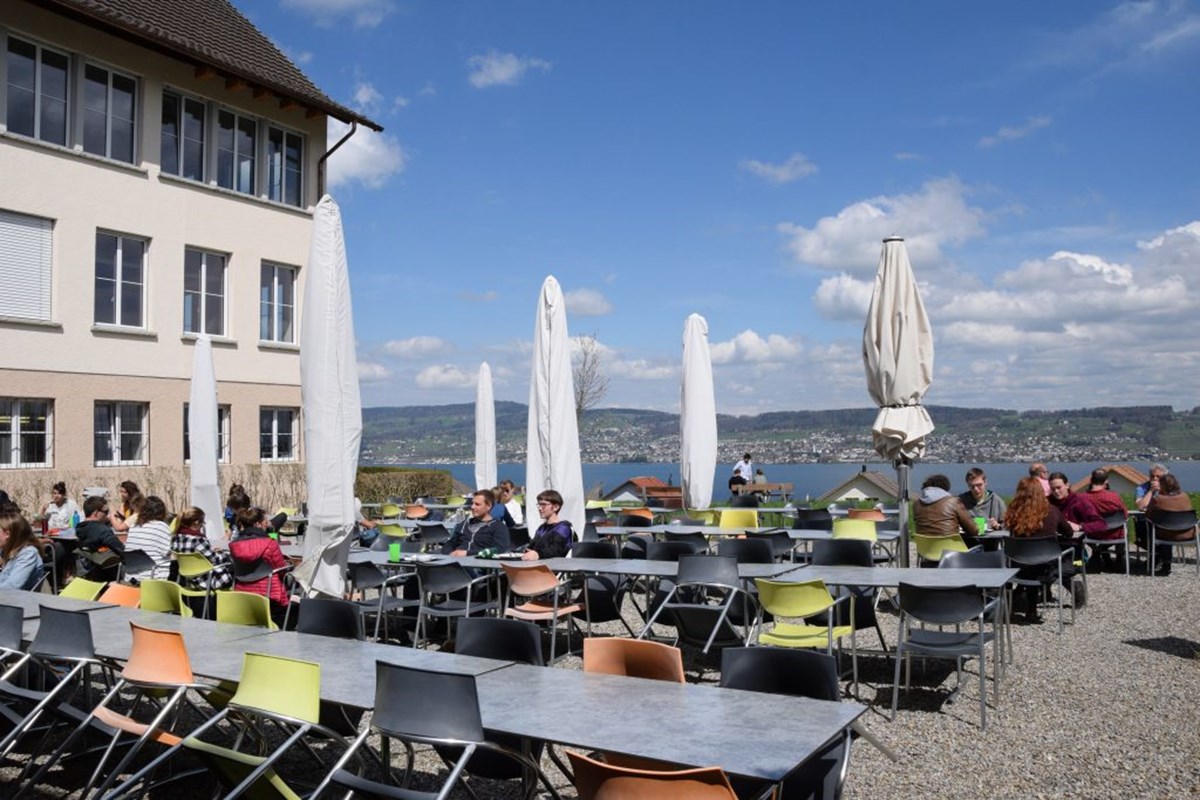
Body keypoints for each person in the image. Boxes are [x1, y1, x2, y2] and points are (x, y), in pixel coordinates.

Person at [1004, 477, 1075, 623]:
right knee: (1042, 560)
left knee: (1030, 560)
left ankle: (1024, 607)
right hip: (1046, 566)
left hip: (1019, 566)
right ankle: (1032, 609)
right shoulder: (1053, 511)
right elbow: (1069, 533)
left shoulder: (1013, 513)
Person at [229, 507, 291, 625]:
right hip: (270, 594)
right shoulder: (270, 543)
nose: (267, 525)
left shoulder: (234, 545)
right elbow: (281, 570)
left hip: (242, 593)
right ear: (257, 524)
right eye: (265, 522)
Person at [171, 506, 234, 590]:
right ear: (196, 522)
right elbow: (215, 560)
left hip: (189, 580)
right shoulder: (198, 540)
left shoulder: (175, 538)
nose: (202, 526)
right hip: (206, 581)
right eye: (202, 523)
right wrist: (223, 554)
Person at [1146, 474, 1193, 577]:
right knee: (1167, 528)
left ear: (1162, 486)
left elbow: (1148, 516)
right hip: (1188, 533)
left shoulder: (1159, 499)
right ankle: (1164, 562)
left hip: (1167, 534)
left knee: (1160, 528)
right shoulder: (1185, 496)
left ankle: (1155, 560)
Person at [913, 474, 978, 546]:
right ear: (945, 488)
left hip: (926, 551)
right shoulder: (953, 502)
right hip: (951, 552)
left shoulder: (917, 504)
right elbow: (974, 531)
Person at [443, 490, 510, 556]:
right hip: (455, 562)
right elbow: (450, 544)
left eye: (477, 504)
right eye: (472, 503)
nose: (472, 507)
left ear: (488, 506)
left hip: (480, 563)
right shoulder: (464, 524)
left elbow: (500, 550)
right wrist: (449, 554)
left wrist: (467, 553)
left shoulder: (498, 527)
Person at [123, 495, 174, 581]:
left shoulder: (134, 526)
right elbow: (169, 552)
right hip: (154, 576)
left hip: (131, 577)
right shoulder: (161, 526)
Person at [74, 496, 125, 580]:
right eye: (105, 511)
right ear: (96, 513)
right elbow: (120, 549)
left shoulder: (79, 529)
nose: (107, 514)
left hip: (90, 571)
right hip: (108, 571)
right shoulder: (103, 531)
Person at [1047, 472, 1107, 540]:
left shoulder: (1079, 501)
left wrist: (1080, 527)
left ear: (1067, 485)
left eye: (1059, 487)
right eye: (1053, 489)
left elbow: (1101, 524)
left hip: (1073, 542)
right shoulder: (1046, 502)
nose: (1056, 491)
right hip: (1050, 541)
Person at [522, 490, 574, 560]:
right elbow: (532, 547)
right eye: (539, 504)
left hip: (554, 567)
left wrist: (538, 554)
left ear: (556, 507)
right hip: (538, 565)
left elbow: (555, 550)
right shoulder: (542, 528)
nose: (540, 508)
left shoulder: (563, 528)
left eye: (543, 505)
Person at [0, 512, 45, 591]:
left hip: (15, 601)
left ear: (7, 534)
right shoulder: (6, 550)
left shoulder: (28, 554)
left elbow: (11, 587)